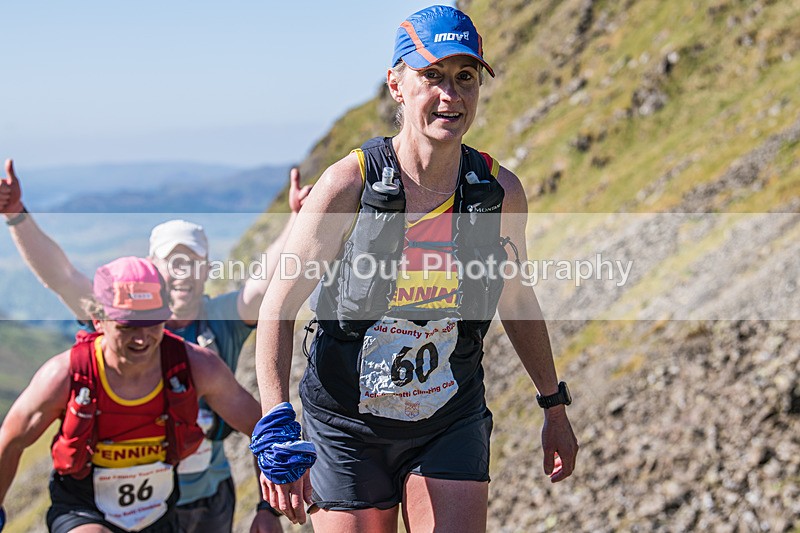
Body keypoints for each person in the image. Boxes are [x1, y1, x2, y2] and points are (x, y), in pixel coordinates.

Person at [251, 5, 579, 532]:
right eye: (432, 76)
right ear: (396, 86)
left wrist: (553, 406)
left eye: (465, 77)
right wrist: (276, 428)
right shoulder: (347, 186)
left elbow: (516, 299)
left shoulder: (498, 193)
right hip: (346, 423)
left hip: (449, 415)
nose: (451, 94)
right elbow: (278, 306)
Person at [0, 161, 311, 532]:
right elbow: (62, 276)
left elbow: (263, 284)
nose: (140, 338)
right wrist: (16, 215)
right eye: (172, 262)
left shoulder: (215, 330)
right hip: (115, 500)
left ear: (207, 269)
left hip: (201, 493)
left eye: (192, 262)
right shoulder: (111, 312)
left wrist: (299, 220)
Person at [0, 256, 264, 532]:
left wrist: (267, 508)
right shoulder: (67, 375)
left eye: (153, 323)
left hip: (159, 515)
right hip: (83, 509)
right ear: (98, 320)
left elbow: (260, 428)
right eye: (127, 326)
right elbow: (10, 440)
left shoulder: (195, 366)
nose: (141, 338)